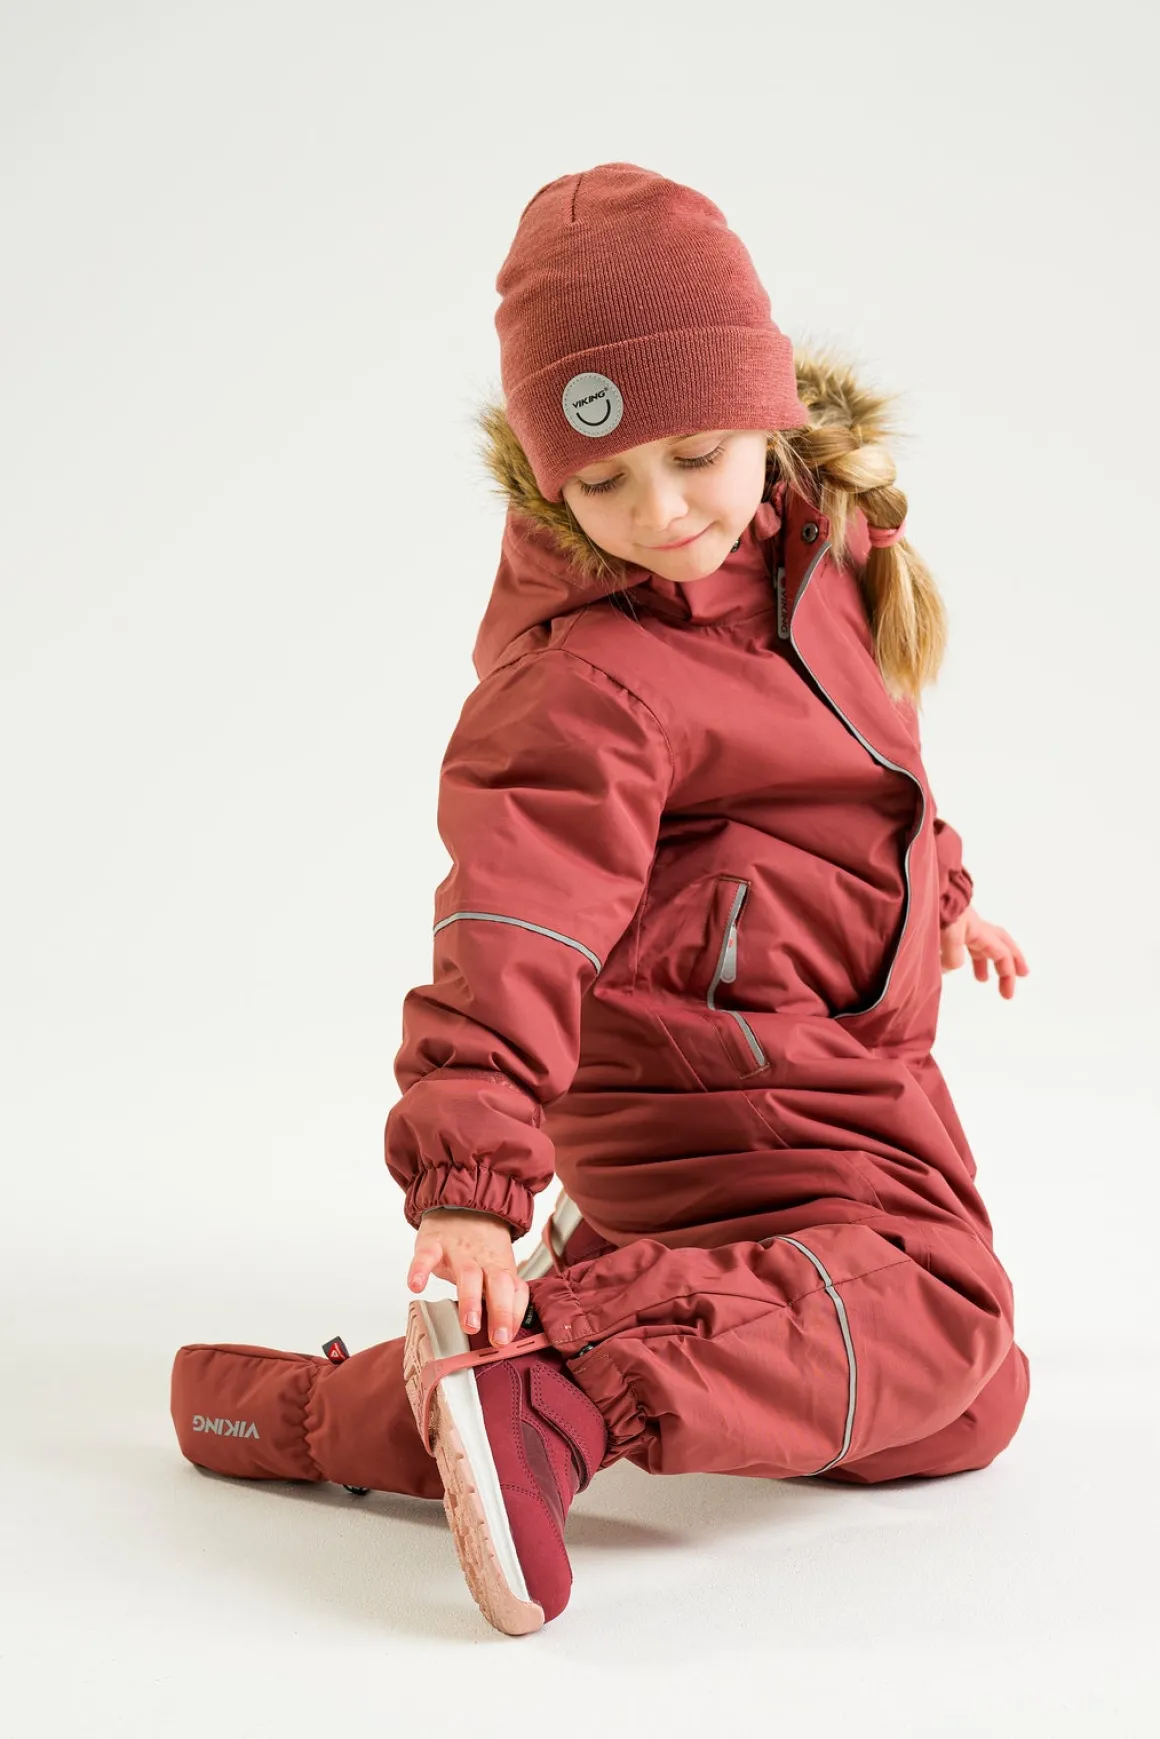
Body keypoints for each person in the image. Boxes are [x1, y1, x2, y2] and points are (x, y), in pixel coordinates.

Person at [170, 161, 1031, 1640]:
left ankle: (338, 1414)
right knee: (945, 1314)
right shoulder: (590, 677)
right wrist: (472, 1188)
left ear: (767, 406)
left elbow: (869, 763)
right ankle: (563, 1391)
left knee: (963, 1406)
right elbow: (512, 927)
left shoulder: (821, 549)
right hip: (716, 1092)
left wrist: (940, 894)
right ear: (546, 479)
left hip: (830, 1069)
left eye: (693, 453)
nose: (661, 511)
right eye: (603, 480)